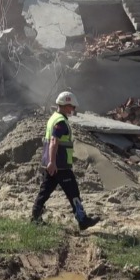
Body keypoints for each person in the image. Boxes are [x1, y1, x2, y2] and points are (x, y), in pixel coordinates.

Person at [31, 91, 101, 231]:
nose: (73, 110)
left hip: (51, 164)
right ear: (65, 105)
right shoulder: (61, 122)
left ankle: (35, 217)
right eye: (72, 107)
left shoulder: (53, 118)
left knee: (44, 192)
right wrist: (53, 162)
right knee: (73, 192)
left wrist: (49, 162)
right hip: (60, 165)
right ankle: (82, 220)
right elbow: (53, 141)